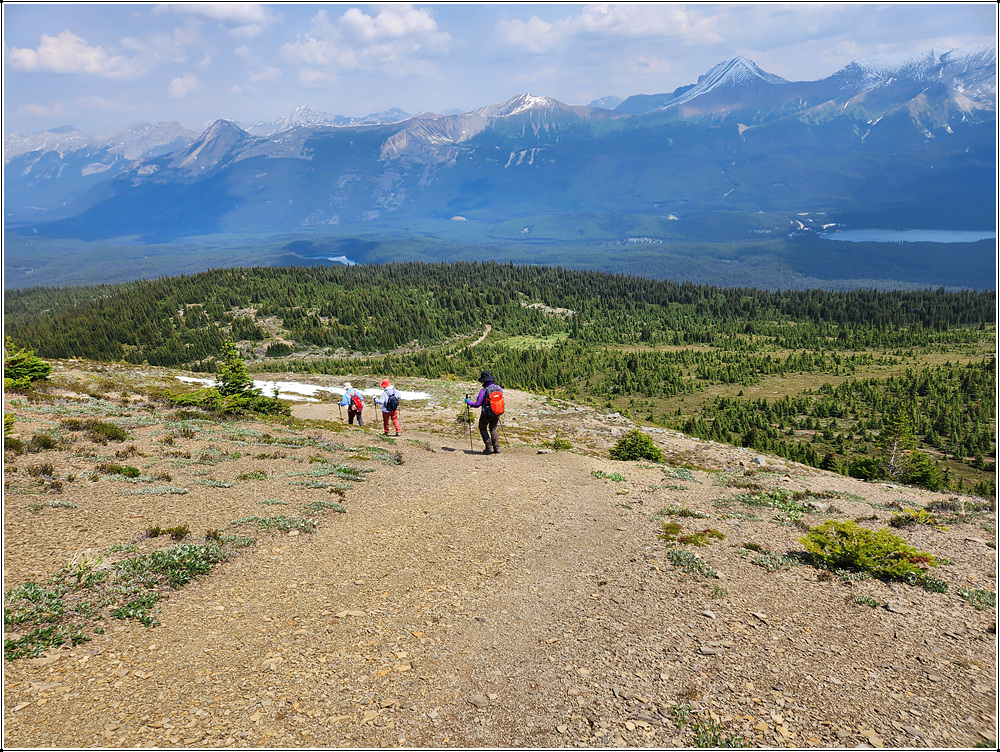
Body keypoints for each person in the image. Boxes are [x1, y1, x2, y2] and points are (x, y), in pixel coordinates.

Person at [466, 370, 502, 455]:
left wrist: (468, 402)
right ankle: (497, 447)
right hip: (497, 412)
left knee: (482, 427)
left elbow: (477, 404)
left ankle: (489, 447)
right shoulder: (498, 388)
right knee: (493, 428)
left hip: (486, 413)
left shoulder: (484, 391)